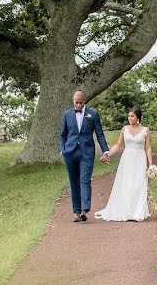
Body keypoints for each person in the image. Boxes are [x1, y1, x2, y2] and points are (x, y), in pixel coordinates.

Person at [94, 107, 154, 222]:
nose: (129, 118)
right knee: (126, 183)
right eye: (129, 116)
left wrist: (151, 164)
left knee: (138, 184)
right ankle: (125, 210)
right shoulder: (124, 129)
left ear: (138, 117)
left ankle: (137, 212)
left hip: (140, 159)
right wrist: (108, 154)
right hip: (127, 159)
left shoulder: (145, 130)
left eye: (132, 116)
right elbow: (118, 144)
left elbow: (148, 147)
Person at [59, 90, 111, 223]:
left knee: (85, 180)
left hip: (87, 153)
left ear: (85, 101)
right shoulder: (67, 114)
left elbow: (100, 134)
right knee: (74, 182)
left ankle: (84, 210)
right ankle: (76, 212)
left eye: (80, 103)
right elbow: (63, 135)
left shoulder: (93, 114)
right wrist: (63, 150)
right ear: (73, 100)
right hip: (70, 153)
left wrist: (105, 151)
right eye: (76, 103)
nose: (78, 105)